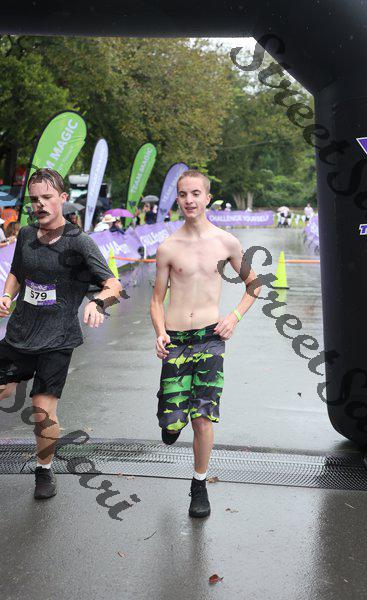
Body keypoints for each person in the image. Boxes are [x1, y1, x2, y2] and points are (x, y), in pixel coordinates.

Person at [0, 168, 122, 500]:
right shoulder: (26, 234)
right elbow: (16, 272)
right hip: (20, 333)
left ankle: (44, 469)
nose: (40, 204)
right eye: (35, 199)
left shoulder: (79, 242)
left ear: (63, 198)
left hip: (57, 339)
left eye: (47, 197)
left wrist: (97, 302)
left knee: (42, 410)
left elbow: (113, 285)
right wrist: (8, 294)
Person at [150, 169, 261, 518]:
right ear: (178, 199)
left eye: (195, 193)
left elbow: (254, 285)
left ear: (207, 198)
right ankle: (171, 421)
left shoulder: (226, 243)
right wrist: (160, 332)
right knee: (172, 422)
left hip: (210, 337)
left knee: (202, 416)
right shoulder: (168, 247)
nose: (189, 200)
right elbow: (156, 300)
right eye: (183, 194)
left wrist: (234, 317)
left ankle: (199, 484)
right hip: (176, 340)